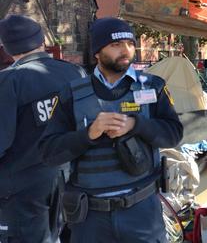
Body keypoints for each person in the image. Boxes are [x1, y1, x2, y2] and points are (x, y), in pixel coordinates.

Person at [39, 17, 183, 243]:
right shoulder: (71, 94)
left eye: (128, 43)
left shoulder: (152, 86)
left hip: (142, 213)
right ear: (97, 52)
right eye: (115, 45)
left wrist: (136, 125)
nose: (125, 50)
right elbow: (49, 152)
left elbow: (174, 134)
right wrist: (89, 134)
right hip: (90, 218)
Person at [0, 15, 86, 243]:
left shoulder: (9, 81)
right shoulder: (74, 72)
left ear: (7, 48)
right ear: (41, 40)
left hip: (21, 188)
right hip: (67, 178)